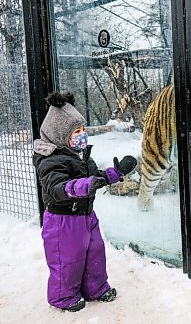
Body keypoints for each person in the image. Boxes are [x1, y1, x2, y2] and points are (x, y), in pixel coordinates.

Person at [32, 92, 137, 312]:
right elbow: (55, 187)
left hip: (86, 216)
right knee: (67, 260)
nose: (83, 136)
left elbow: (94, 177)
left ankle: (95, 288)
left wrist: (116, 173)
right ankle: (64, 296)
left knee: (95, 253)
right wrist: (78, 186)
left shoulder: (80, 155)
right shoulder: (51, 160)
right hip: (63, 222)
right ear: (60, 134)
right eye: (76, 132)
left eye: (82, 130)